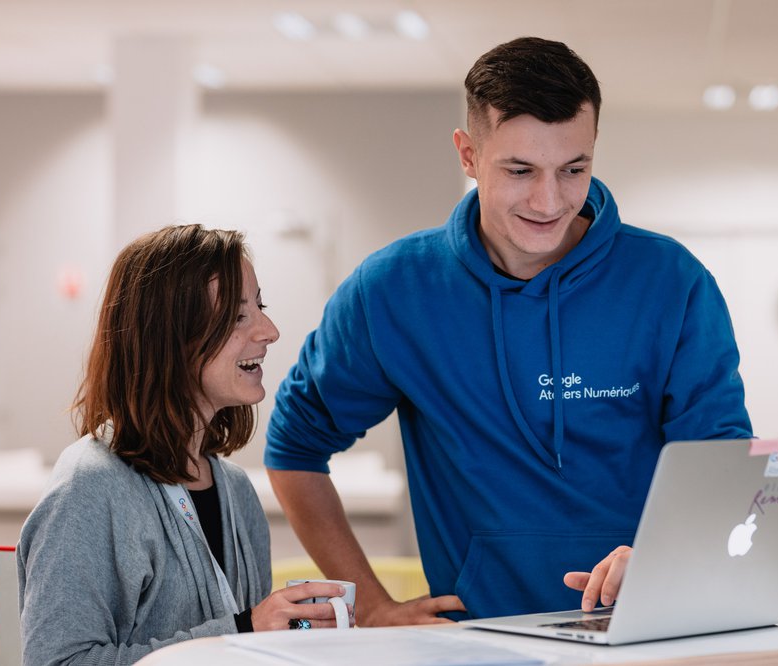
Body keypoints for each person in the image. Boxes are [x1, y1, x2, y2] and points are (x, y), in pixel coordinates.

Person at [265, 37, 752, 624]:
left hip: (645, 630)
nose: (550, 201)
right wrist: (368, 606)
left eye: (574, 169)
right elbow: (294, 446)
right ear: (468, 155)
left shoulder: (671, 282)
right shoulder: (393, 290)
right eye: (520, 170)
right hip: (476, 641)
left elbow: (723, 463)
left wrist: (665, 554)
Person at [17, 225, 348, 665]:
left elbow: (247, 642)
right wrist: (243, 630)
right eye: (237, 315)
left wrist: (300, 629)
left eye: (260, 307)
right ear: (169, 339)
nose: (270, 331)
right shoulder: (89, 490)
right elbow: (57, 661)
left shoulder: (236, 492)